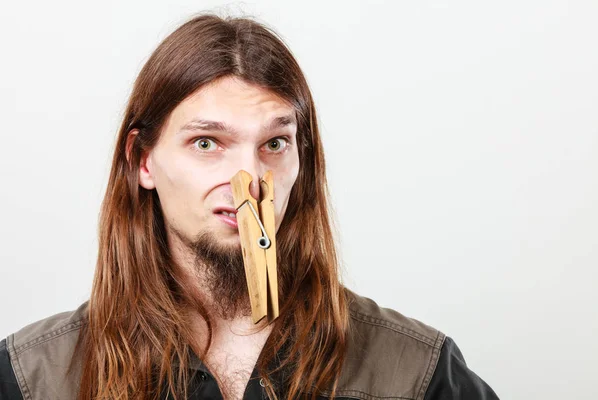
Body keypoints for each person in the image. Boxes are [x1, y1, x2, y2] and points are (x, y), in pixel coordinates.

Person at [0, 14, 500, 400]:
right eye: (207, 143)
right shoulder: (33, 376)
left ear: (302, 160)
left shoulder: (415, 371)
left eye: (275, 144)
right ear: (142, 161)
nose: (250, 183)